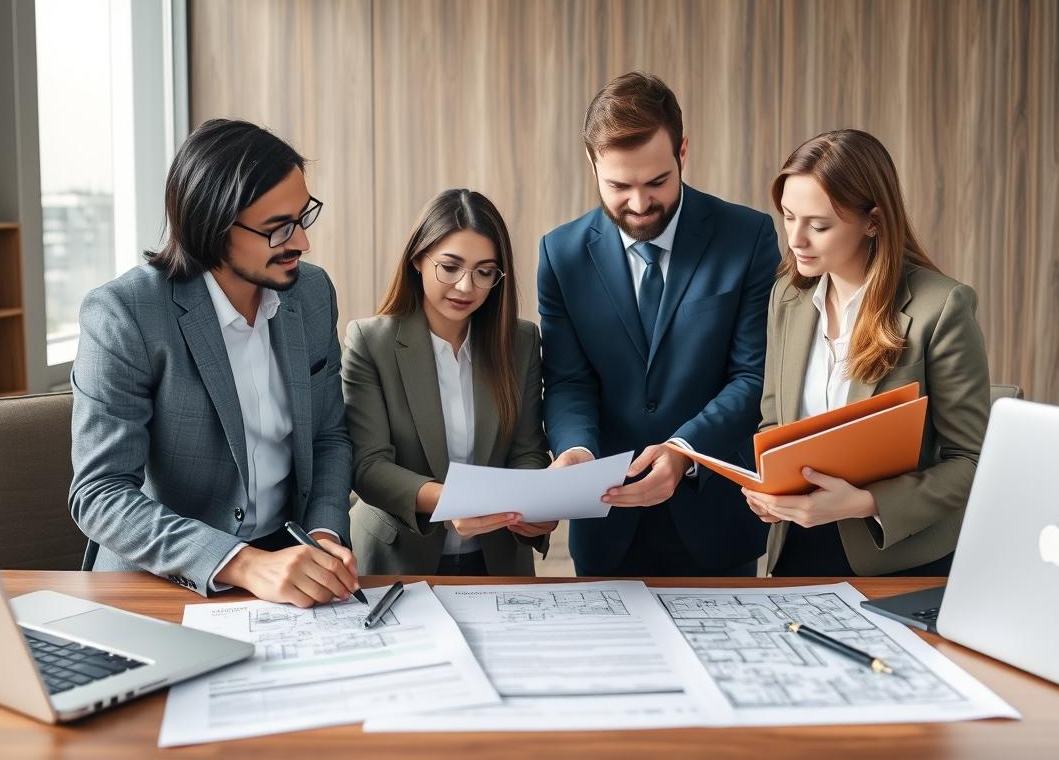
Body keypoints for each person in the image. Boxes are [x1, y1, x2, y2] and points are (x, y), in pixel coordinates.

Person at [69, 119, 360, 607]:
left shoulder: (311, 294)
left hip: (288, 565)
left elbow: (329, 436)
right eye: (278, 229)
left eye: (302, 218)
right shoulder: (124, 314)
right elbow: (100, 493)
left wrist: (325, 536)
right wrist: (242, 562)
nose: (302, 244)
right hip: (163, 574)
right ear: (213, 227)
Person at [538, 72, 779, 576]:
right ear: (592, 163)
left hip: (718, 523)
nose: (640, 204)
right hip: (606, 523)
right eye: (618, 186)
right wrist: (577, 450)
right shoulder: (560, 254)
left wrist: (684, 450)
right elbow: (568, 380)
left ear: (682, 151)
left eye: (656, 182)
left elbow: (753, 376)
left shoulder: (748, 236)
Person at [746, 129, 991, 577]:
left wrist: (865, 502)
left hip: (896, 556)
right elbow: (773, 422)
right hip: (795, 548)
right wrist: (769, 487)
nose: (796, 239)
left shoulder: (941, 307)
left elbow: (971, 462)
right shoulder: (787, 297)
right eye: (787, 217)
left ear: (873, 222)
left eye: (819, 225)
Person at [343, 189, 555, 576]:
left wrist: (532, 506)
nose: (465, 287)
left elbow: (528, 451)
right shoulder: (371, 342)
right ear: (418, 259)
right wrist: (453, 500)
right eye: (450, 267)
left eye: (484, 271)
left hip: (497, 560)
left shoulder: (520, 342)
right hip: (395, 561)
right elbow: (369, 465)